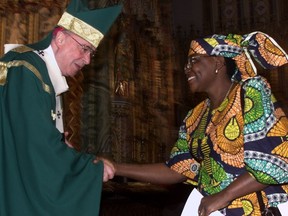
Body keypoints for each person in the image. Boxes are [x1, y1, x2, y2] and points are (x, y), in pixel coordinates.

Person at [103, 32, 288, 215]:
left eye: (194, 60)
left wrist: (224, 195)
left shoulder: (250, 92)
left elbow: (276, 162)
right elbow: (177, 169)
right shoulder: (196, 116)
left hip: (254, 209)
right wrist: (115, 167)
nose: (186, 68)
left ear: (218, 63)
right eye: (186, 62)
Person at [0, 1, 121, 215]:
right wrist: (88, 168)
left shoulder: (41, 73)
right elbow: (34, 146)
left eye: (91, 53)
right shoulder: (27, 69)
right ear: (61, 37)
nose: (87, 60)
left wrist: (57, 142)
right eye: (84, 49)